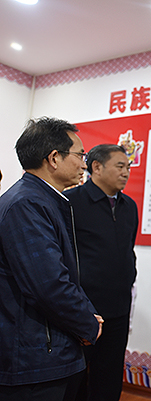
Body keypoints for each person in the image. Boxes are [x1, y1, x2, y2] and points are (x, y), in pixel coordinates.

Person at [0, 117, 102, 401]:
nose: (84, 165)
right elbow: (48, 285)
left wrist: (86, 315)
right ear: (54, 158)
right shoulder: (27, 204)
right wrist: (88, 324)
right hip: (33, 358)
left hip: (44, 350)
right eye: (80, 155)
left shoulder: (42, 200)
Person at [64, 144, 138, 401]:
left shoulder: (129, 206)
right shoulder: (71, 202)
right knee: (74, 377)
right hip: (82, 309)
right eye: (120, 166)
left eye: (128, 167)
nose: (126, 172)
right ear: (96, 167)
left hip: (118, 309)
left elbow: (128, 250)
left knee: (109, 376)